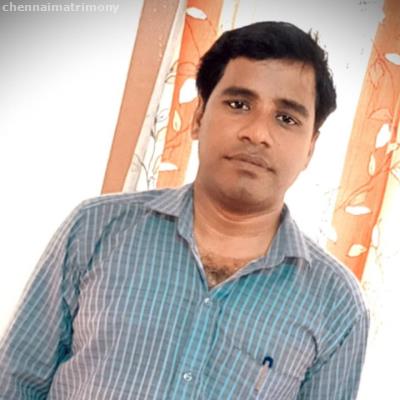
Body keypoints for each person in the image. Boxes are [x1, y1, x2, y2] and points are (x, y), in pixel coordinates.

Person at [0, 21, 369, 399]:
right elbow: (16, 381)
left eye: (286, 118)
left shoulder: (336, 303)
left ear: (310, 148)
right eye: (239, 104)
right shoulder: (96, 227)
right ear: (198, 118)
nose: (257, 133)